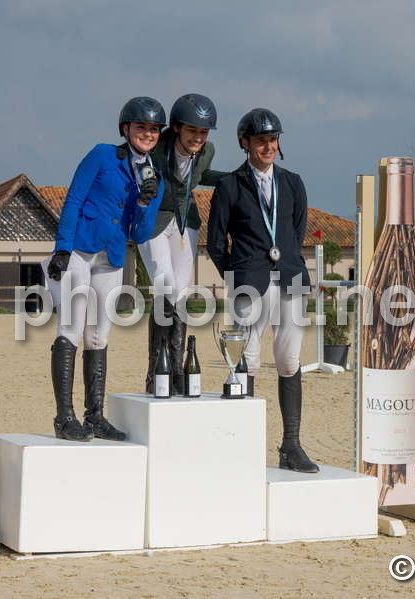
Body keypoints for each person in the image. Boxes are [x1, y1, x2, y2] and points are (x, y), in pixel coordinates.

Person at [46, 96, 166, 442]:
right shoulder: (102, 155)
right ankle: (64, 417)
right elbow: (74, 198)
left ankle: (94, 416)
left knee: (98, 334)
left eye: (154, 129)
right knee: (71, 327)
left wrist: (143, 202)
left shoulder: (155, 178)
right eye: (141, 126)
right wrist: (62, 247)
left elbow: (141, 234)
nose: (148, 133)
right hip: (80, 249)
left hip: (112, 256)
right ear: (126, 128)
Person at [206, 108, 318, 473]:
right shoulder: (229, 186)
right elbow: (215, 243)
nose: (268, 147)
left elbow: (296, 232)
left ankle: (292, 445)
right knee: (247, 360)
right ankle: (246, 446)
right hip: (248, 282)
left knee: (289, 361)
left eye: (272, 140)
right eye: (260, 141)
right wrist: (237, 276)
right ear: (245, 143)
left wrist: (285, 261)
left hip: (290, 278)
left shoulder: (293, 183)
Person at [139, 93, 227, 394]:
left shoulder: (208, 151)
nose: (198, 138)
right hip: (155, 219)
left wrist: (237, 177)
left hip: (185, 220)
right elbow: (142, 169)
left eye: (203, 132)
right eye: (192, 131)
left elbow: (201, 175)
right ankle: (155, 370)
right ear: (177, 127)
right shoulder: (156, 147)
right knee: (165, 286)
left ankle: (175, 370)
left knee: (180, 292)